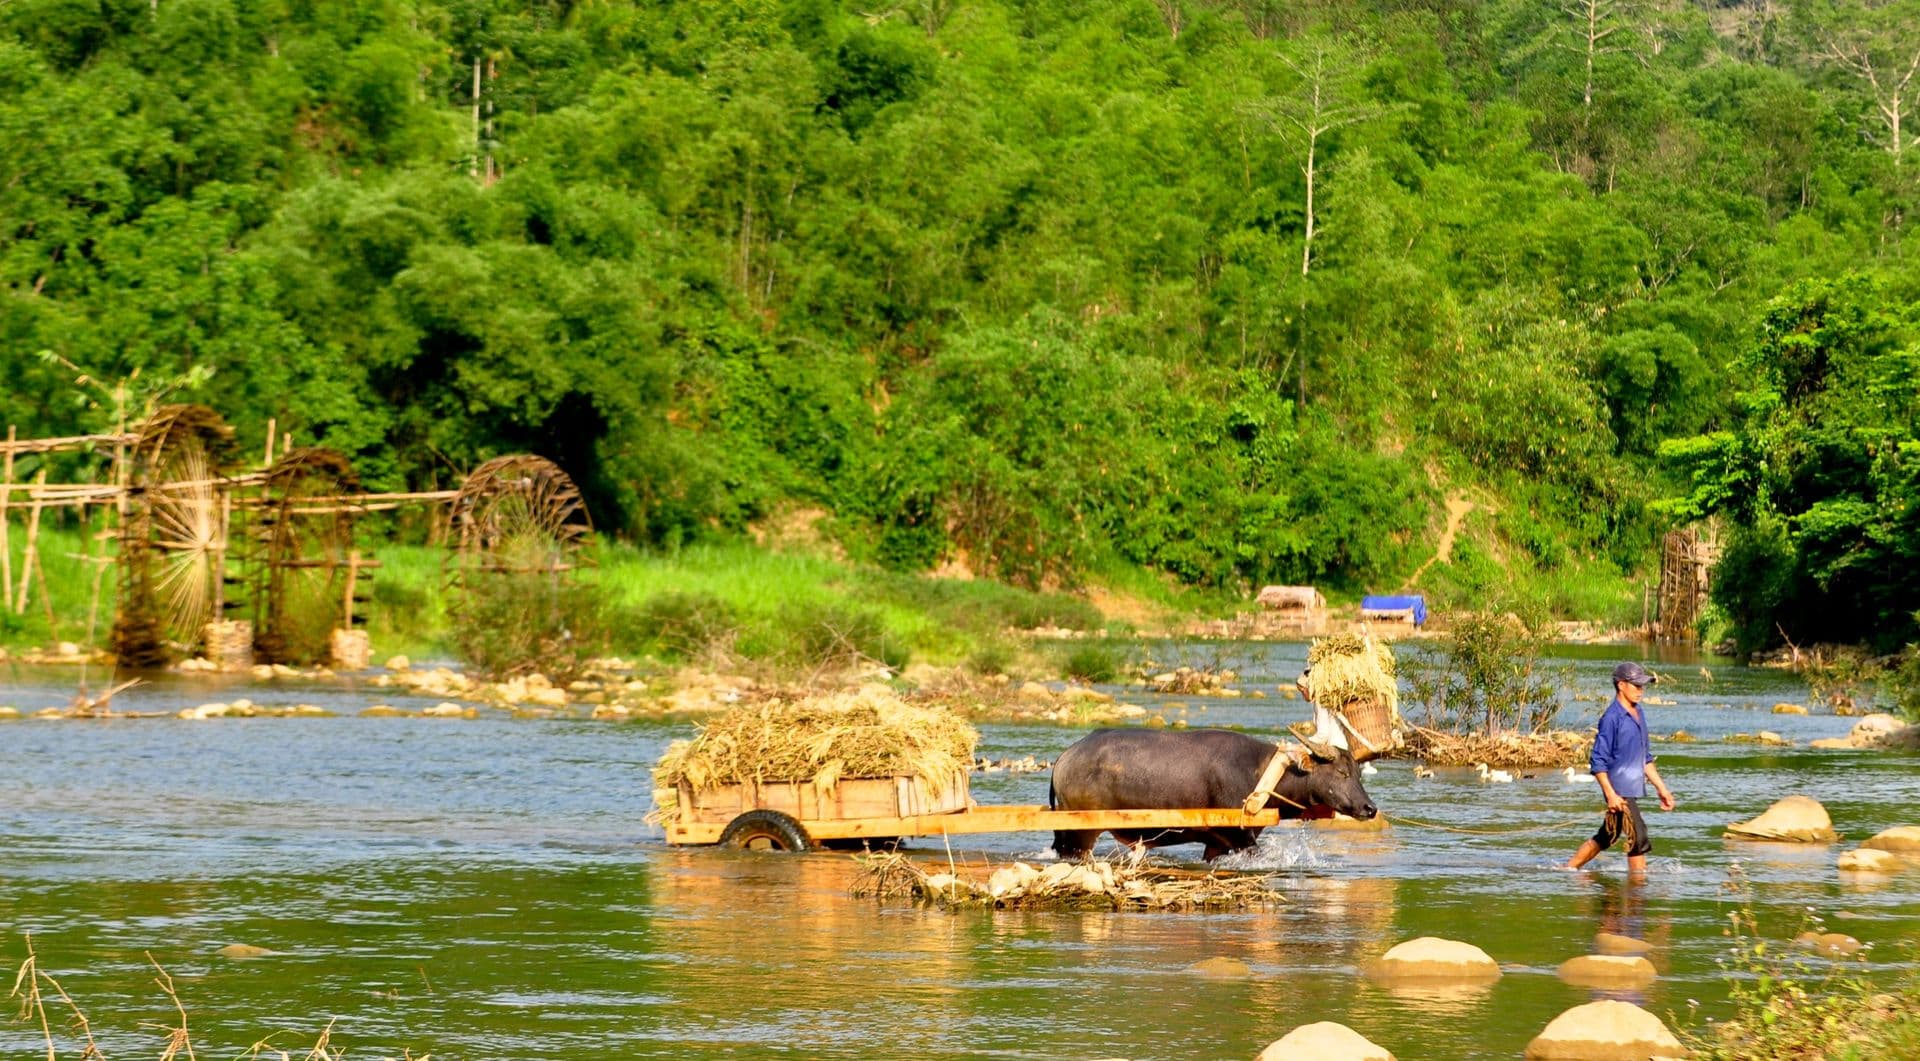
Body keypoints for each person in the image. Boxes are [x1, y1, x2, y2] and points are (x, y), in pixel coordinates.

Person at [1565, 662, 1675, 874]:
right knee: (1638, 835)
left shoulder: (1639, 713)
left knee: (1608, 836)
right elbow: (1598, 761)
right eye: (1636, 686)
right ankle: (1637, 892)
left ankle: (1567, 870)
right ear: (1621, 685)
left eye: (1642, 686)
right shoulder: (1611, 718)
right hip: (1618, 789)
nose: (1641, 691)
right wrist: (1611, 795)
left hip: (1631, 788)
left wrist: (1662, 789)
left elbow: (1645, 759)